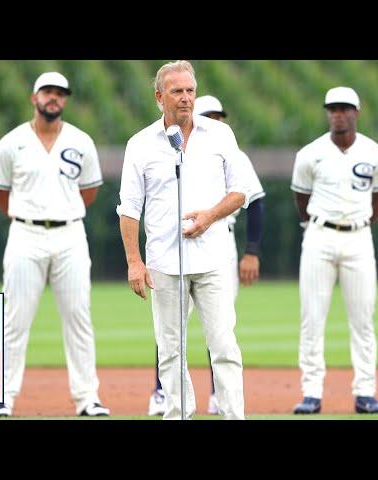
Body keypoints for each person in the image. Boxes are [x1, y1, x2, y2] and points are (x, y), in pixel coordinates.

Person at [118, 61, 249, 420]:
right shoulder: (140, 144)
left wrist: (209, 216)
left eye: (190, 90)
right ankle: (178, 416)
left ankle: (233, 415)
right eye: (177, 91)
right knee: (171, 350)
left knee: (224, 346)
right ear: (160, 97)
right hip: (163, 262)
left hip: (213, 259)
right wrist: (134, 261)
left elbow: (241, 192)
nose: (186, 98)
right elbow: (129, 208)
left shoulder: (220, 135)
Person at [0, 71, 109, 417]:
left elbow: (89, 191)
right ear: (34, 97)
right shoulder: (12, 142)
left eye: (60, 93)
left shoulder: (81, 141)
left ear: (65, 99)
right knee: (14, 319)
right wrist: (21, 214)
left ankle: (87, 399)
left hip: (70, 233)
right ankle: (3, 396)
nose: (53, 98)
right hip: (25, 233)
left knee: (78, 317)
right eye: (47, 92)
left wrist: (62, 211)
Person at [146, 94, 265, 416]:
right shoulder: (165, 147)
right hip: (174, 246)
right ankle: (162, 394)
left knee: (222, 331)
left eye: (219, 115)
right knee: (170, 332)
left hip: (221, 242)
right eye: (209, 114)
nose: (215, 120)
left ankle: (219, 398)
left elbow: (253, 200)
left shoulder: (231, 149)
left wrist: (251, 252)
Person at [290, 86, 378, 414]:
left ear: (356, 112)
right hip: (319, 236)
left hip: (359, 238)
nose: (338, 114)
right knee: (312, 318)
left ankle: (365, 393)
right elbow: (301, 199)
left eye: (344, 108)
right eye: (332, 108)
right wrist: (315, 226)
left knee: (363, 318)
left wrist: (362, 225)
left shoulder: (375, 154)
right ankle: (311, 393)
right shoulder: (310, 153)